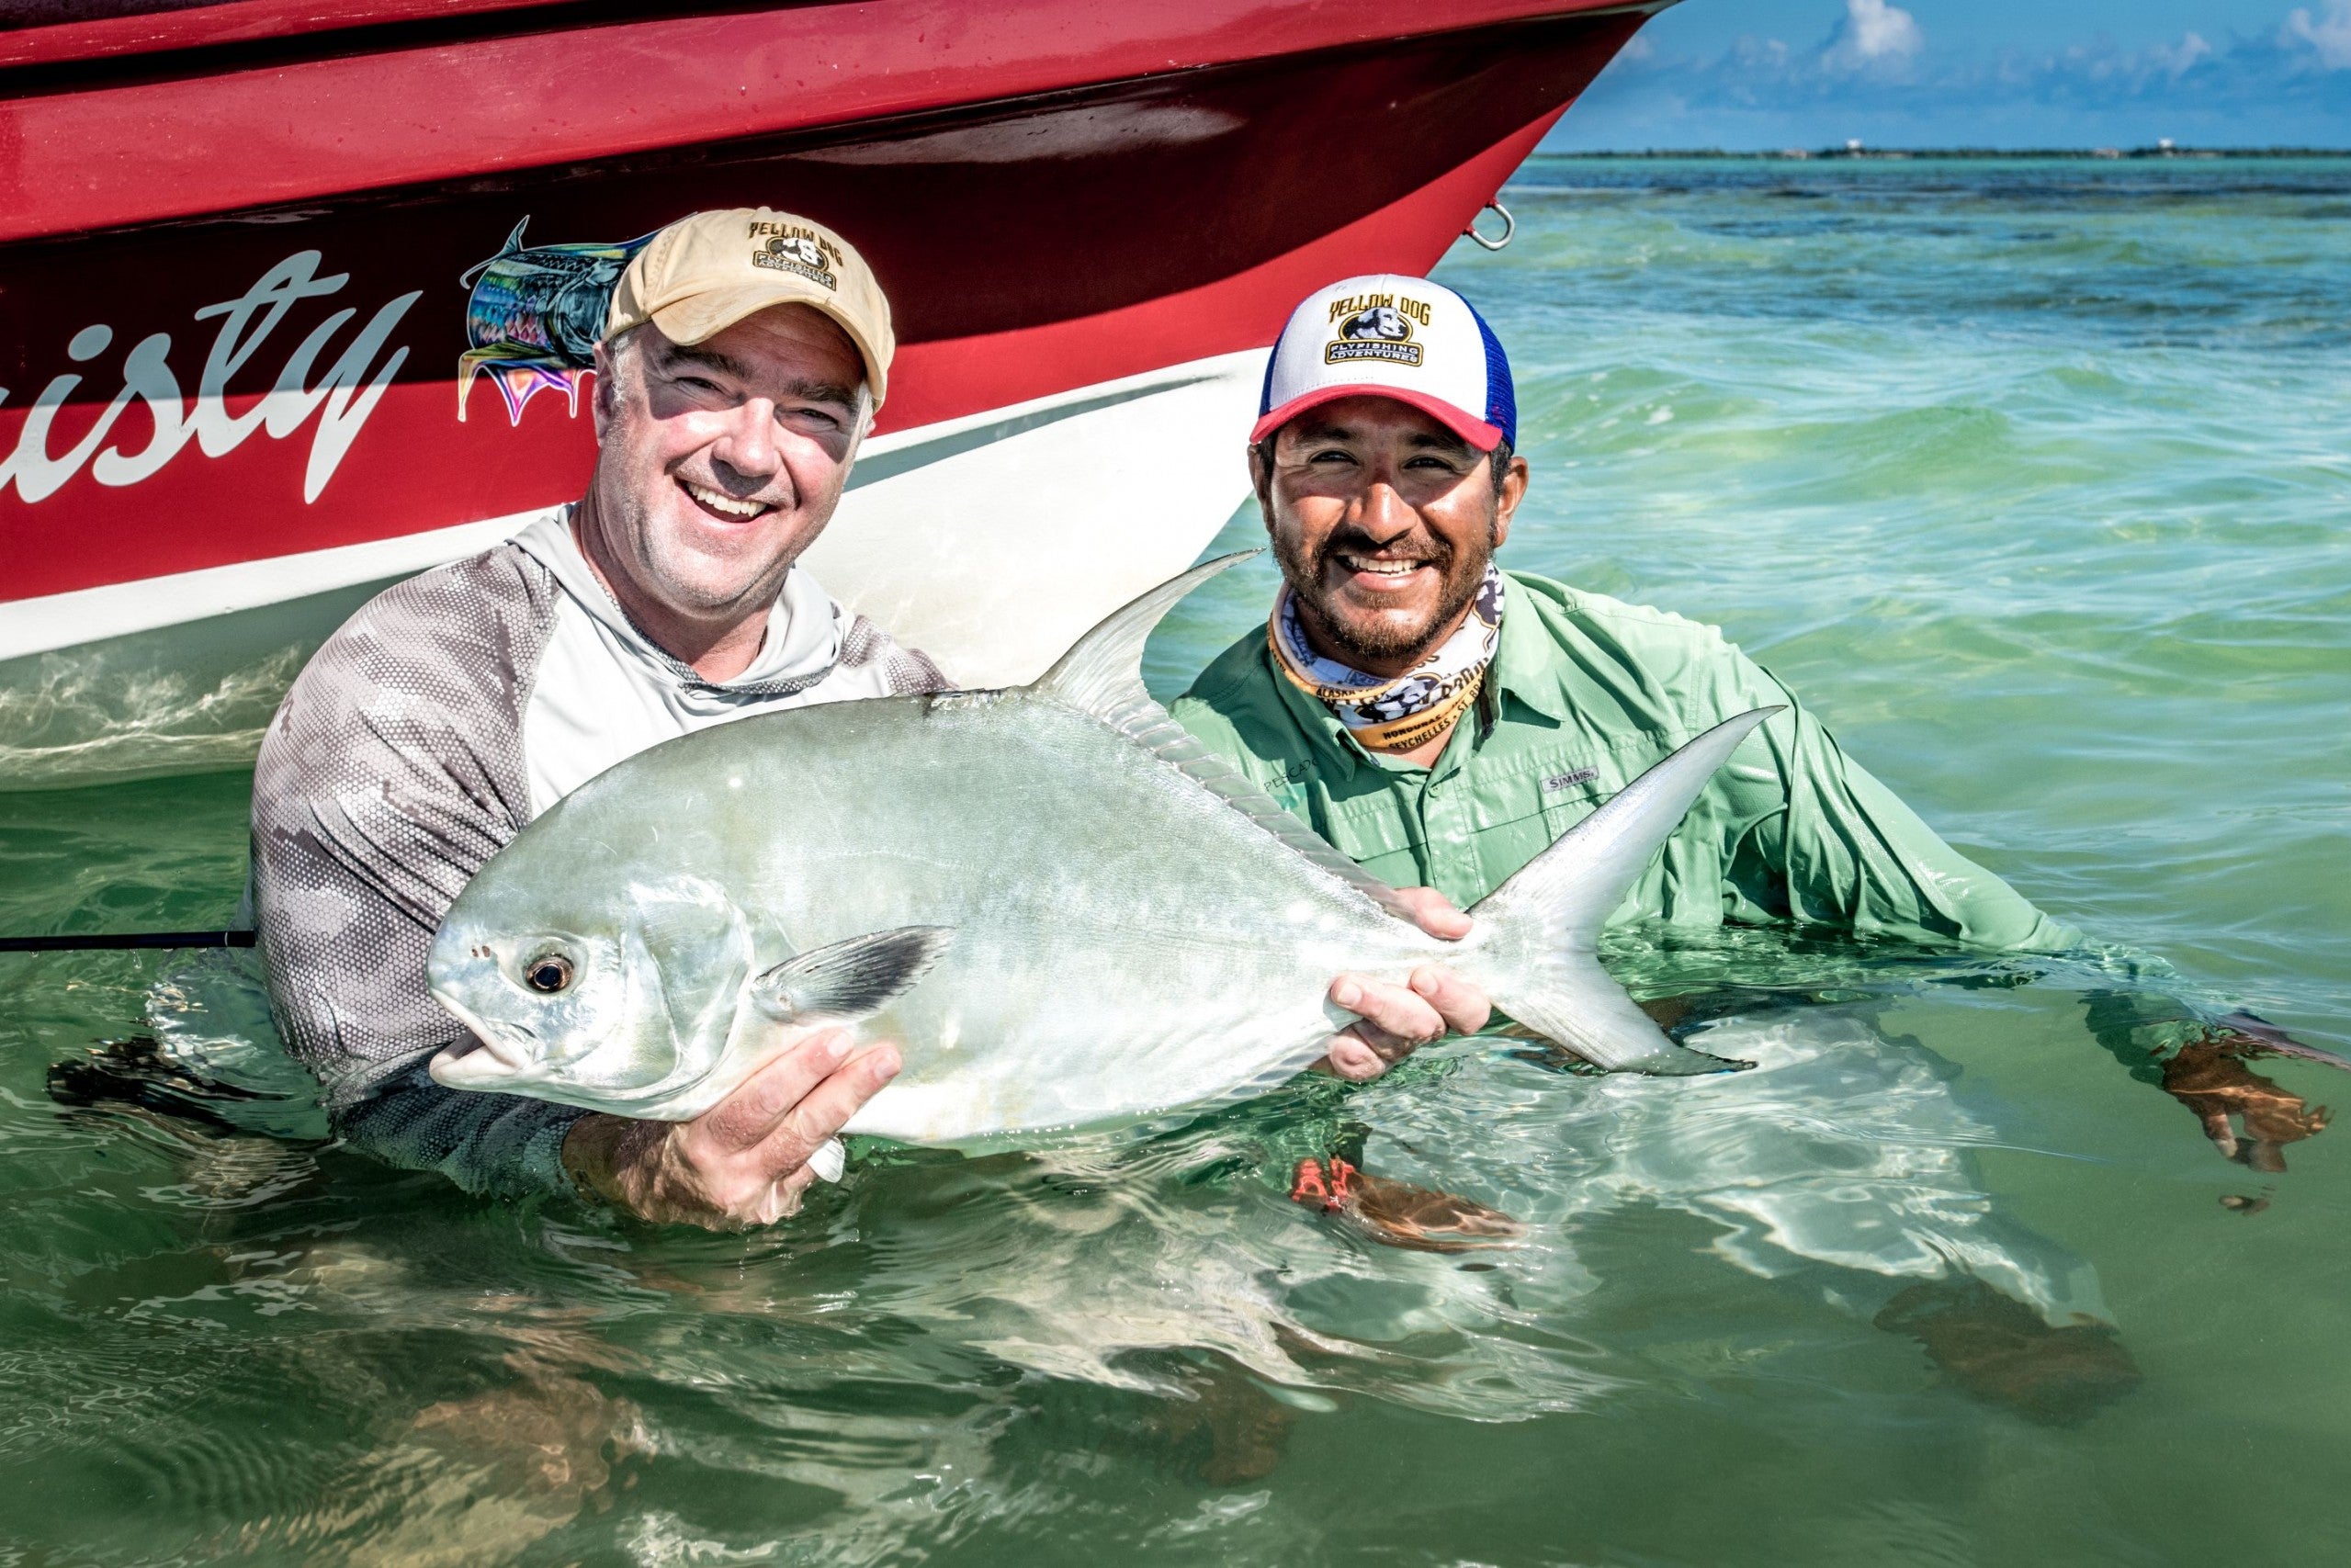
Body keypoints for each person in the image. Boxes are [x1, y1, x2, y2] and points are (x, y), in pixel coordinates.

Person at [250, 213, 1474, 1230]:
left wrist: (1305, 1003)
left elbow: (1044, 1004)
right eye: (702, 386)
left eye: (811, 412)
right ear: (605, 390)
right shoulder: (413, 686)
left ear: (855, 445)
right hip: (448, 1238)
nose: (749, 451)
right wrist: (624, 1168)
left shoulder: (900, 702)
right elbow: (381, 1090)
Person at [1166, 273, 2328, 1162]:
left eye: (1429, 463)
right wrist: (1322, 1166)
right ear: (1264, 478)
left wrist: (2180, 1041)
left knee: (2016, 1343)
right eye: (1329, 459)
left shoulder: (1679, 690)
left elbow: (1955, 915)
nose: (1379, 515)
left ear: (1504, 497)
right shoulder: (1178, 771)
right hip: (1432, 1143)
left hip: (1733, 1068)